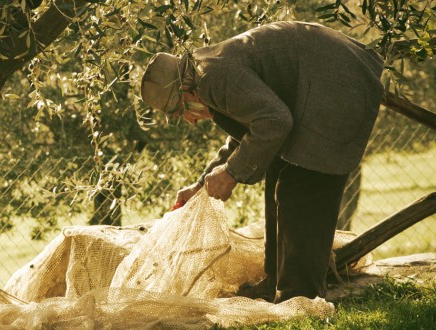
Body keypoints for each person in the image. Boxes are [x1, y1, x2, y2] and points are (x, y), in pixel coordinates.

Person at [140, 21, 383, 303]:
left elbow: (274, 121)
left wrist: (230, 174)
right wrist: (200, 184)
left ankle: (299, 299)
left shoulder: (213, 78)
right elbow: (250, 133)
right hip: (322, 85)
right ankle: (277, 282)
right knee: (278, 169)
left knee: (299, 190)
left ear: (186, 88)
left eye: (181, 110)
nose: (191, 120)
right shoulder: (208, 72)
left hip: (335, 84)